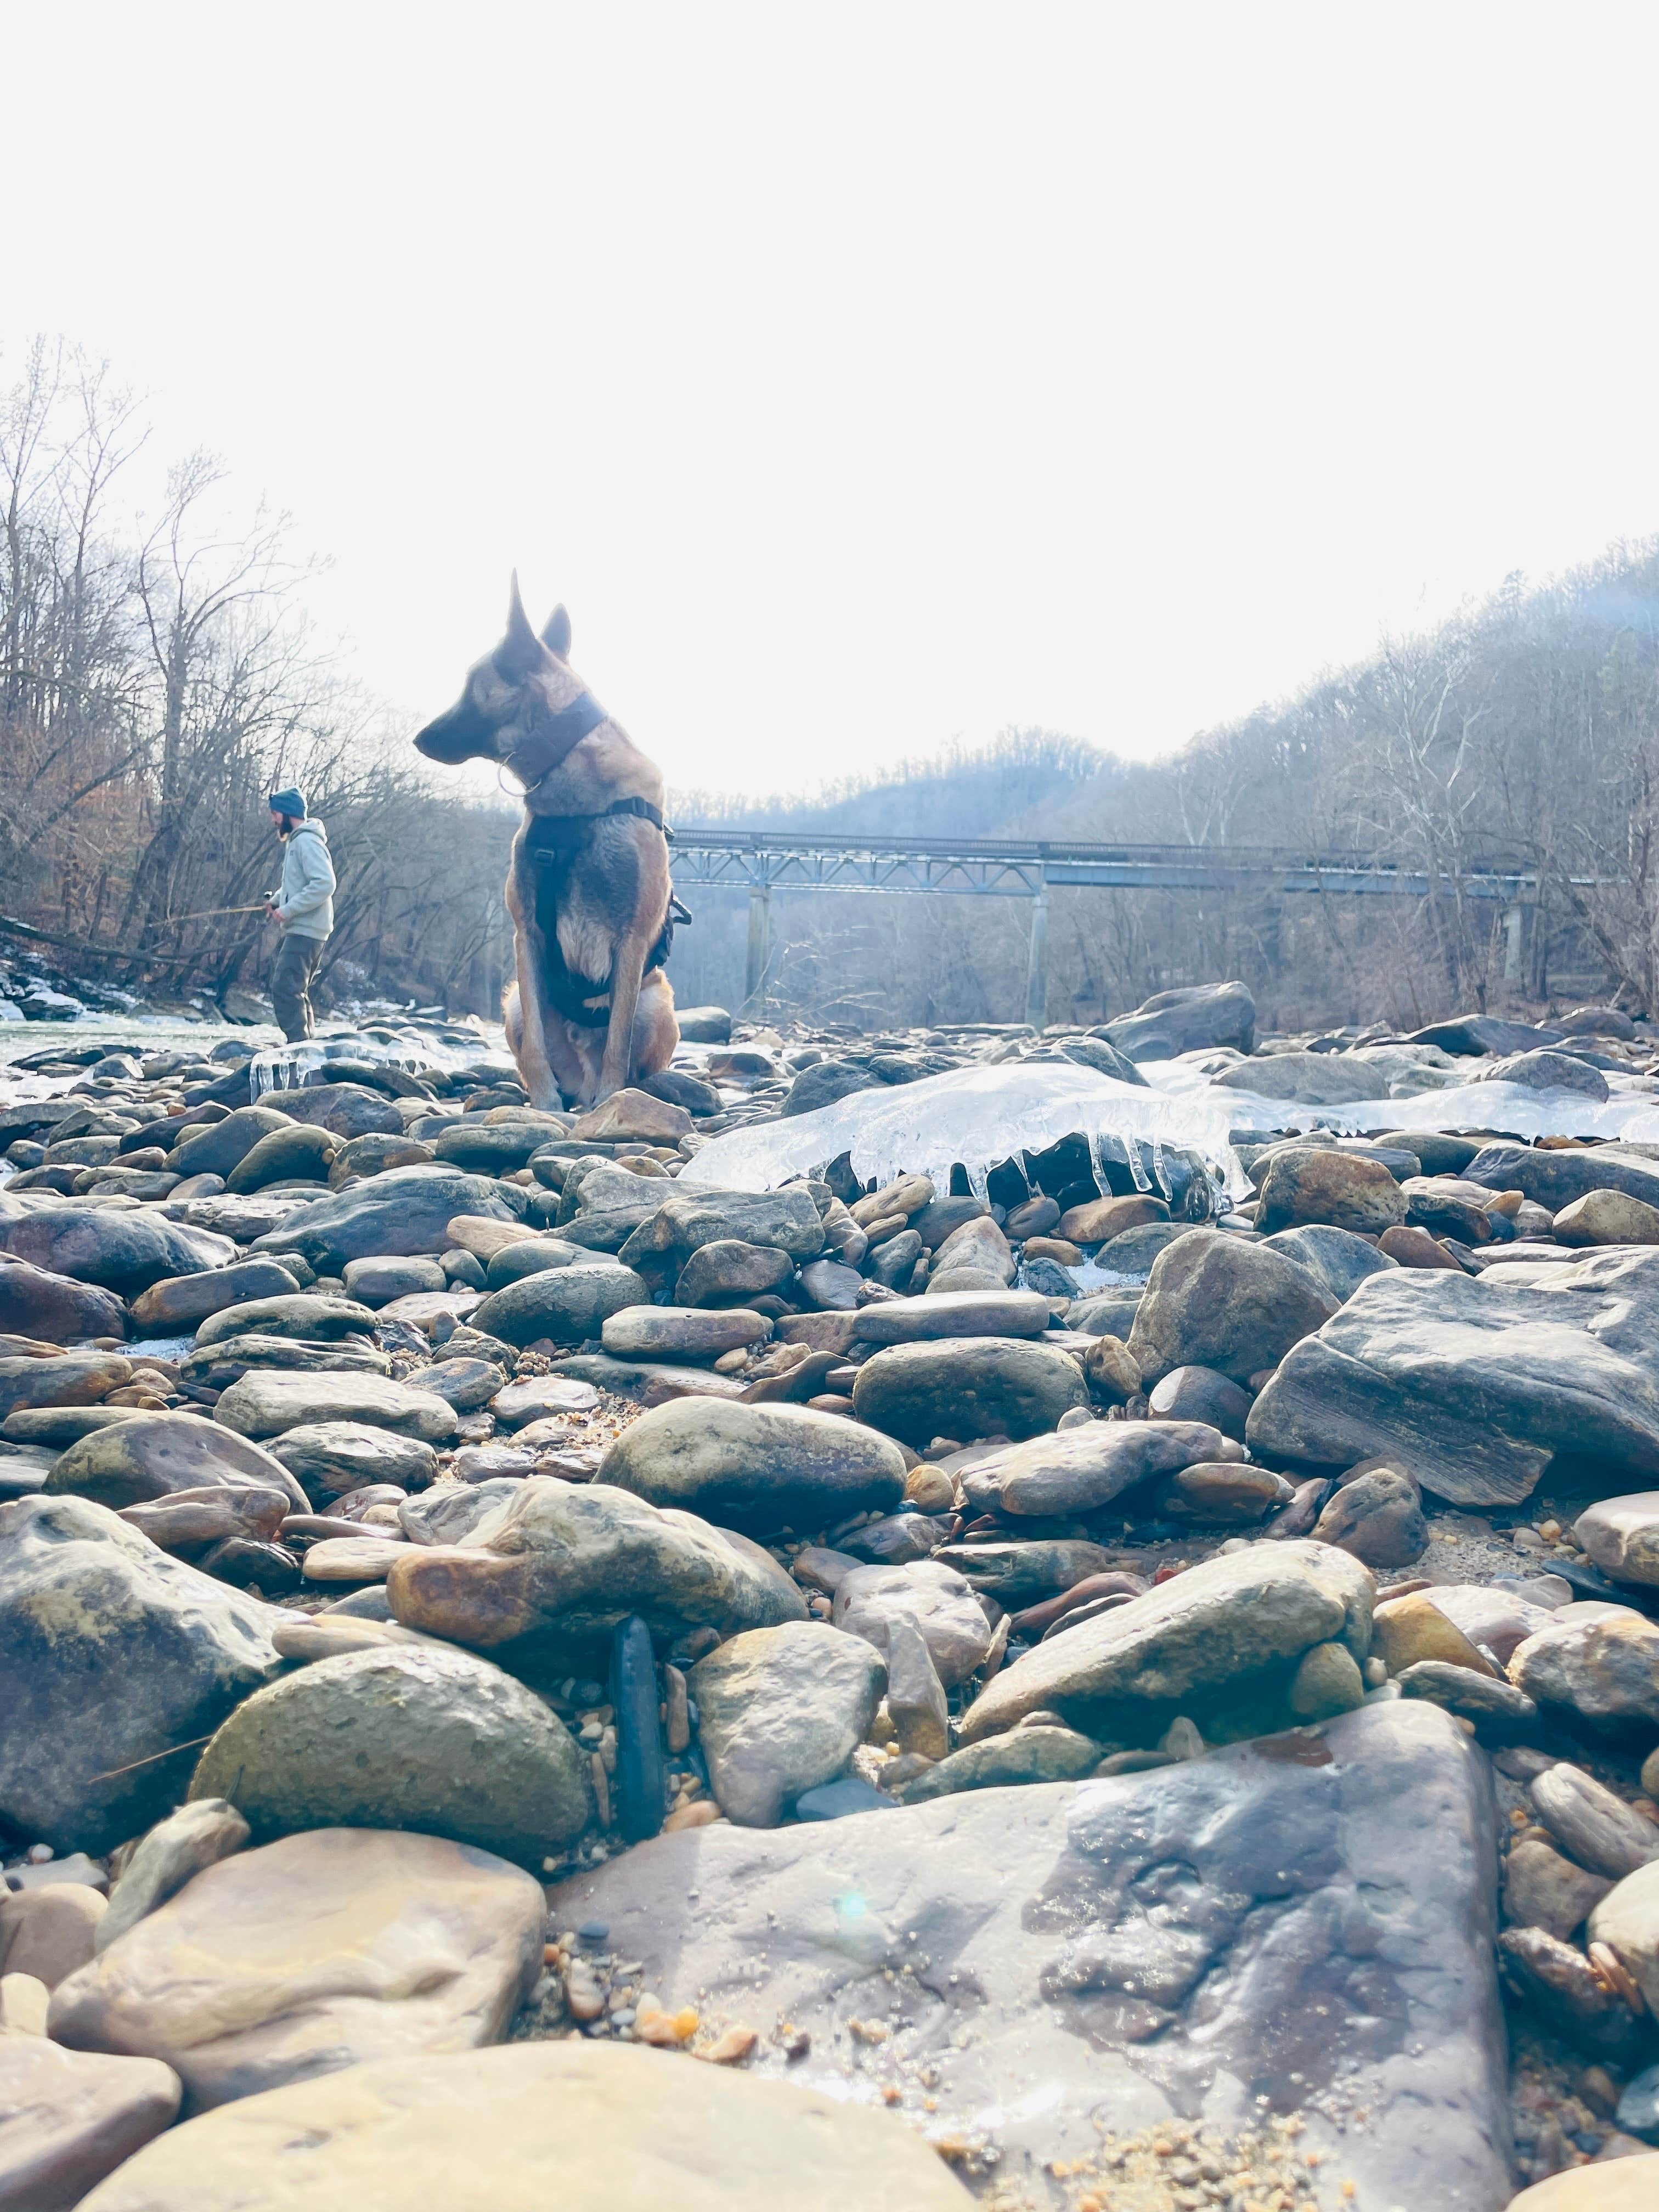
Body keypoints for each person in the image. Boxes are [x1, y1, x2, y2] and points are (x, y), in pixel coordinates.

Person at [264, 787, 336, 1041]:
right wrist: (277, 901)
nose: (274, 819)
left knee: (285, 988)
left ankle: (298, 1048)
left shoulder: (307, 841)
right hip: (306, 928)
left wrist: (289, 910)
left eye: (276, 813)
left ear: (288, 813)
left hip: (307, 929)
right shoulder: (299, 841)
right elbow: (299, 884)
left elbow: (325, 883)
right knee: (297, 989)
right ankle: (307, 1045)